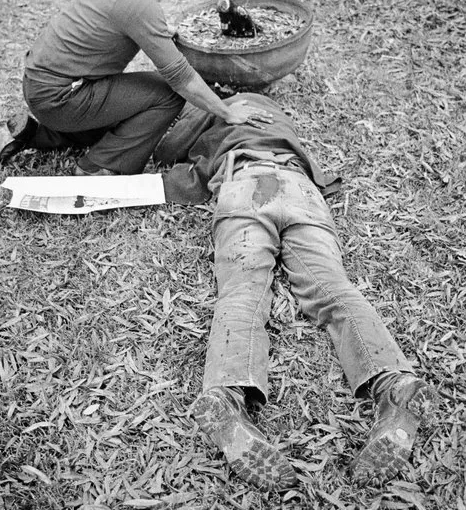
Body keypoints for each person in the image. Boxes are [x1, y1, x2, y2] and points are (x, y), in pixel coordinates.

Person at [154, 92, 438, 491]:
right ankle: (395, 385)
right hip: (302, 189)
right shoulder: (280, 120)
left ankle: (228, 395)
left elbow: (166, 148)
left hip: (247, 185)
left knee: (243, 291)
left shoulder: (214, 108)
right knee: (333, 290)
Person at [0, 0, 271, 174]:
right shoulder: (136, 2)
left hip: (41, 85)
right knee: (167, 95)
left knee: (127, 109)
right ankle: (99, 167)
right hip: (59, 97)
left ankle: (35, 134)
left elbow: (120, 20)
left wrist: (159, 30)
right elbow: (180, 77)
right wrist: (226, 111)